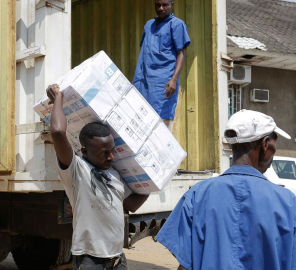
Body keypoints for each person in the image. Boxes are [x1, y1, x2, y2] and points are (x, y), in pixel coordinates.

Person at [156, 109, 296, 270]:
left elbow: (185, 264)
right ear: (265, 144)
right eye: (274, 142)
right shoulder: (288, 203)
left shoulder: (197, 195)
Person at [46, 84, 149, 270]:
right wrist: (58, 99)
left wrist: (156, 179)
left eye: (111, 151)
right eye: (104, 153)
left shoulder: (114, 173)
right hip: (89, 260)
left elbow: (130, 205)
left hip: (118, 259)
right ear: (85, 152)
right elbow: (58, 132)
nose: (111, 157)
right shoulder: (76, 171)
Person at [133, 0, 190, 130]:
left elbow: (181, 53)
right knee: (142, 124)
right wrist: (136, 80)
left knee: (161, 129)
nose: (161, 8)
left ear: (172, 4)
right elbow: (144, 54)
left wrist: (174, 79)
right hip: (143, 83)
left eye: (165, 5)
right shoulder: (149, 25)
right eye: (157, 5)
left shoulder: (177, 25)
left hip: (163, 85)